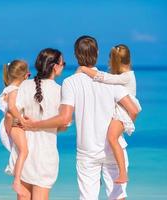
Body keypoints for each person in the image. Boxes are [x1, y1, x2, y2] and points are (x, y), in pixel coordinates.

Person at [22, 36, 140, 200]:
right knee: (118, 197)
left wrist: (35, 125)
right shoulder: (112, 81)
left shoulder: (70, 83)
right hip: (113, 149)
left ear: (76, 54)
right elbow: (133, 110)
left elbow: (64, 119)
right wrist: (121, 128)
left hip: (87, 151)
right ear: (97, 52)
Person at [5, 48, 66, 200]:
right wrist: (43, 125)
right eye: (62, 63)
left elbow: (9, 115)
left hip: (24, 154)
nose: (63, 66)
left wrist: (17, 128)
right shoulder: (61, 91)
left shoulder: (24, 85)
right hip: (45, 155)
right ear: (55, 67)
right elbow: (63, 125)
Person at [77, 44, 142, 183]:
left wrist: (83, 69)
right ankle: (100, 173)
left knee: (112, 138)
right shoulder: (121, 75)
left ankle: (123, 173)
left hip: (123, 112)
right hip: (119, 110)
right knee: (108, 141)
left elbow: (104, 78)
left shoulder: (127, 77)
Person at [0, 60, 31, 197]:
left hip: (8, 122)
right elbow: (11, 108)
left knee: (19, 151)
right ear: (25, 76)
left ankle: (17, 175)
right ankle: (17, 181)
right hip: (12, 122)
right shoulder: (14, 90)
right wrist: (22, 119)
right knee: (24, 150)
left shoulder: (8, 88)